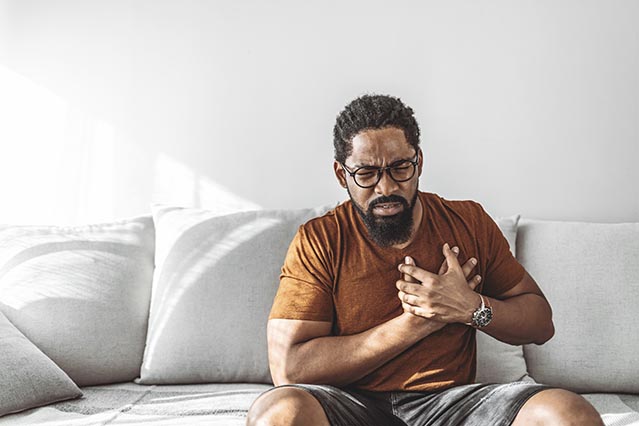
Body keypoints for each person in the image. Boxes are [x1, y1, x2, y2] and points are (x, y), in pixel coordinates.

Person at [246, 94, 603, 426]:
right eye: (366, 174)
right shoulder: (321, 239)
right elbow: (289, 368)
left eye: (400, 168)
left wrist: (470, 308)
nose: (385, 188)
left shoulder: (468, 222)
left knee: (568, 414)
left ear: (419, 162)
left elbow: (541, 323)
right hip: (349, 403)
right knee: (279, 413)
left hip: (452, 404)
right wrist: (417, 322)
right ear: (342, 175)